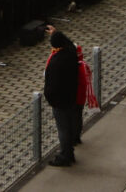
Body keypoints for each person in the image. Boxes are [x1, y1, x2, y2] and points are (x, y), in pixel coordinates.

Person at [43, 26, 81, 166]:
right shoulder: (70, 52)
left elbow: (50, 87)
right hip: (71, 96)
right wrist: (56, 33)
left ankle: (66, 155)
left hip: (60, 101)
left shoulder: (55, 62)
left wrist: (51, 100)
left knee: (63, 129)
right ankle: (68, 151)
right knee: (69, 125)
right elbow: (70, 43)